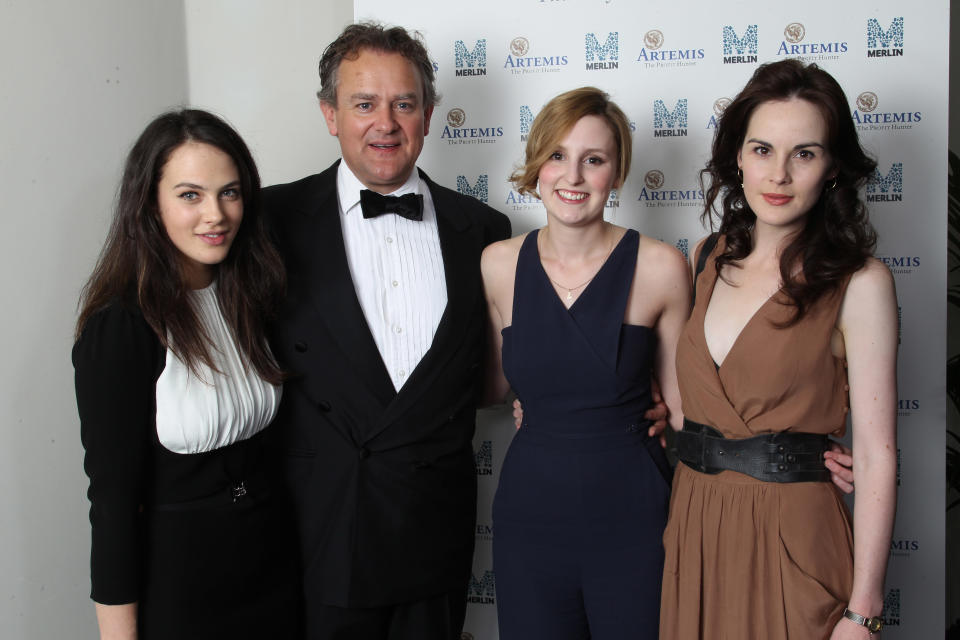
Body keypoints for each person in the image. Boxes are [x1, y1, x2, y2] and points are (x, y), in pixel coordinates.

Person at [261, 23, 511, 640]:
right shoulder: (270, 221)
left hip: (434, 531)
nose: (386, 123)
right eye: (364, 104)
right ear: (330, 114)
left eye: (404, 103)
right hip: (318, 532)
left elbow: (491, 375)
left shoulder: (484, 230)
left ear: (429, 114)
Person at [660, 59, 897, 639]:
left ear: (832, 167)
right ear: (737, 156)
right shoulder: (706, 257)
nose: (780, 175)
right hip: (695, 524)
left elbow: (874, 456)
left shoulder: (860, 282)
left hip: (793, 538)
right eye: (763, 149)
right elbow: (692, 398)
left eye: (805, 154)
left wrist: (863, 613)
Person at [73, 109, 300, 639]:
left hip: (275, 574)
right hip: (181, 591)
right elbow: (111, 504)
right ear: (149, 203)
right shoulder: (121, 328)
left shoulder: (251, 297)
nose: (216, 215)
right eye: (190, 195)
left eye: (230, 192)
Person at [481, 87, 690, 639]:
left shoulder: (662, 267)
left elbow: (688, 414)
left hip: (633, 513)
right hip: (530, 514)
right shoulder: (498, 264)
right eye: (557, 156)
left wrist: (796, 452)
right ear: (537, 164)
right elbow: (489, 385)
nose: (572, 176)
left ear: (616, 174)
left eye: (593, 160)